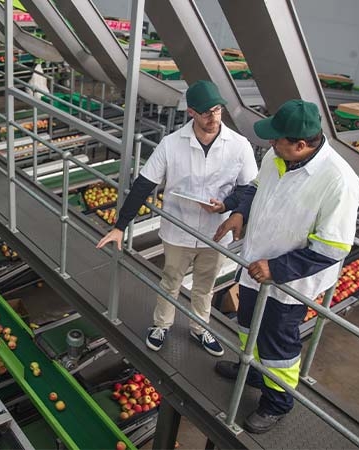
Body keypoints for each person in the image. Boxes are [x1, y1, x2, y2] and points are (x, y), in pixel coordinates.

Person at [212, 99, 359, 433]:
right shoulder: (276, 157)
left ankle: (276, 403)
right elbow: (255, 189)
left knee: (278, 346)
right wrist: (240, 212)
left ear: (301, 145)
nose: (270, 144)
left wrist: (277, 269)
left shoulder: (339, 181)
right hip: (254, 266)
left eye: (277, 139)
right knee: (247, 324)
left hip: (291, 284)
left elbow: (332, 247)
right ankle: (250, 370)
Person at [97, 80, 258, 356]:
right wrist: (120, 226)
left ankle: (199, 327)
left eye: (217, 110)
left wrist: (227, 206)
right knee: (171, 280)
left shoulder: (239, 145)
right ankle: (161, 325)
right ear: (192, 112)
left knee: (205, 285)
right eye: (206, 112)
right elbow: (144, 184)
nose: (213, 117)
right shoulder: (171, 144)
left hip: (216, 231)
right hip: (178, 229)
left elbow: (249, 186)